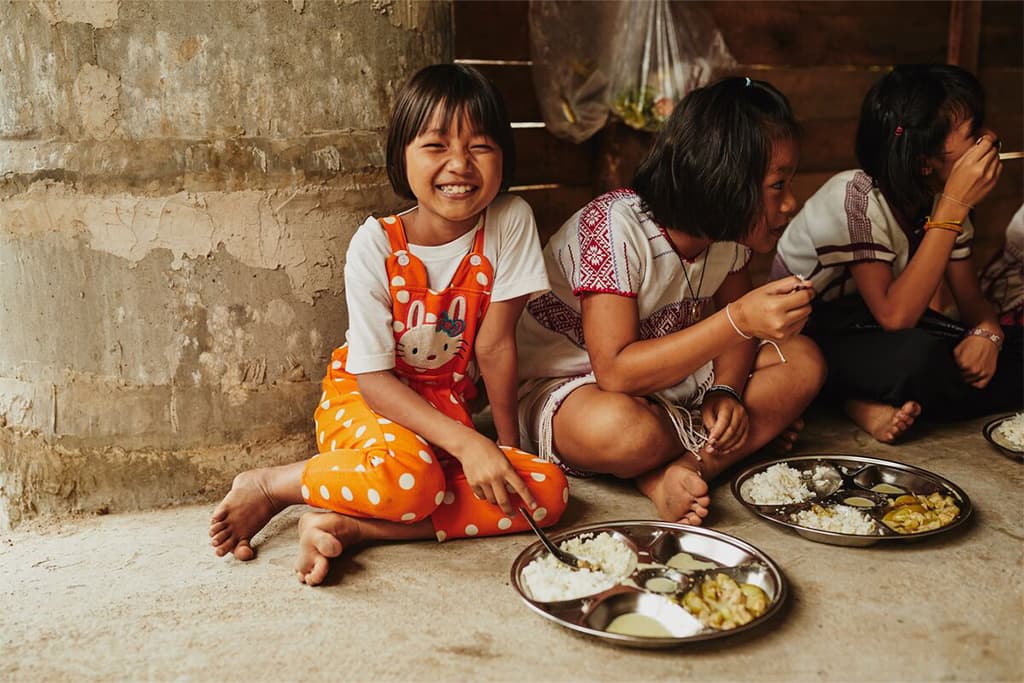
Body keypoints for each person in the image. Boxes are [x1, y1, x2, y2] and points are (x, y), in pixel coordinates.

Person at [209, 64, 568, 585]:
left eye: (480, 146)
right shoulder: (375, 245)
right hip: (367, 398)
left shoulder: (510, 220)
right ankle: (275, 486)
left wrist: (504, 450)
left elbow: (495, 348)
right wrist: (470, 446)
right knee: (414, 480)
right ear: (402, 154)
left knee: (547, 491)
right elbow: (375, 382)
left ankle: (353, 528)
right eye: (436, 145)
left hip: (445, 412)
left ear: (504, 157)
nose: (459, 165)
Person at [515, 77, 826, 526]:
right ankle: (667, 467)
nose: (791, 202)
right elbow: (617, 371)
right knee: (625, 431)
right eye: (778, 185)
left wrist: (726, 390)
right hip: (574, 391)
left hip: (665, 380)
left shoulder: (728, 236)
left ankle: (689, 467)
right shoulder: (614, 227)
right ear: (725, 182)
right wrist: (739, 320)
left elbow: (738, 340)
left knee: (804, 359)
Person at [772, 64, 1021, 443]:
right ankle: (841, 397)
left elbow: (972, 303)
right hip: (811, 335)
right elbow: (894, 315)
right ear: (924, 161)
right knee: (918, 360)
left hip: (878, 334)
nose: (988, 141)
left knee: (1008, 350)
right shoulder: (854, 196)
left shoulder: (939, 199)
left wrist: (988, 336)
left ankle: (862, 398)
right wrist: (951, 209)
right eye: (973, 136)